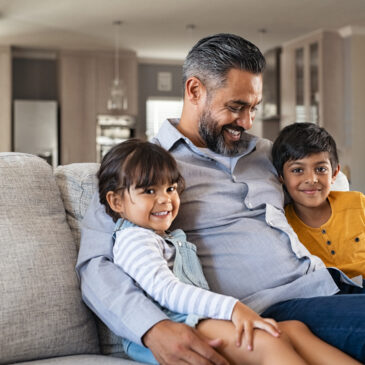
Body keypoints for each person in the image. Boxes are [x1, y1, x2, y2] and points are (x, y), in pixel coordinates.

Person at [77, 33, 365, 365]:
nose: (247, 122)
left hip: (330, 284)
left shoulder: (268, 154)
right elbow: (94, 266)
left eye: (253, 108)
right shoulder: (142, 173)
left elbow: (320, 188)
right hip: (267, 309)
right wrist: (151, 328)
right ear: (194, 90)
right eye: (236, 107)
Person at [97, 138, 360, 365]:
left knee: (296, 330)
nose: (165, 199)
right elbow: (166, 290)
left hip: (200, 317)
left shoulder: (164, 237)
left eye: (170, 188)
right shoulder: (133, 240)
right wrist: (233, 308)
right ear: (116, 201)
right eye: (149, 191)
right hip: (177, 325)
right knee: (270, 341)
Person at [271, 122, 365, 282]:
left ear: (335, 173)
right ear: (281, 177)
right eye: (297, 170)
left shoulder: (357, 203)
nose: (311, 179)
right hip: (327, 295)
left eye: (320, 169)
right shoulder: (283, 225)